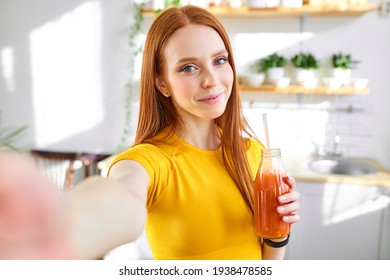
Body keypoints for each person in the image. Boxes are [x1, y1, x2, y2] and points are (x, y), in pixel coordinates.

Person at [0, 5, 299, 260]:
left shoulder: (255, 153)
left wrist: (277, 230)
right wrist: (58, 227)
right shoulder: (150, 161)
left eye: (219, 61)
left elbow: (267, 263)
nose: (211, 80)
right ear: (161, 83)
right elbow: (123, 195)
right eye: (188, 68)